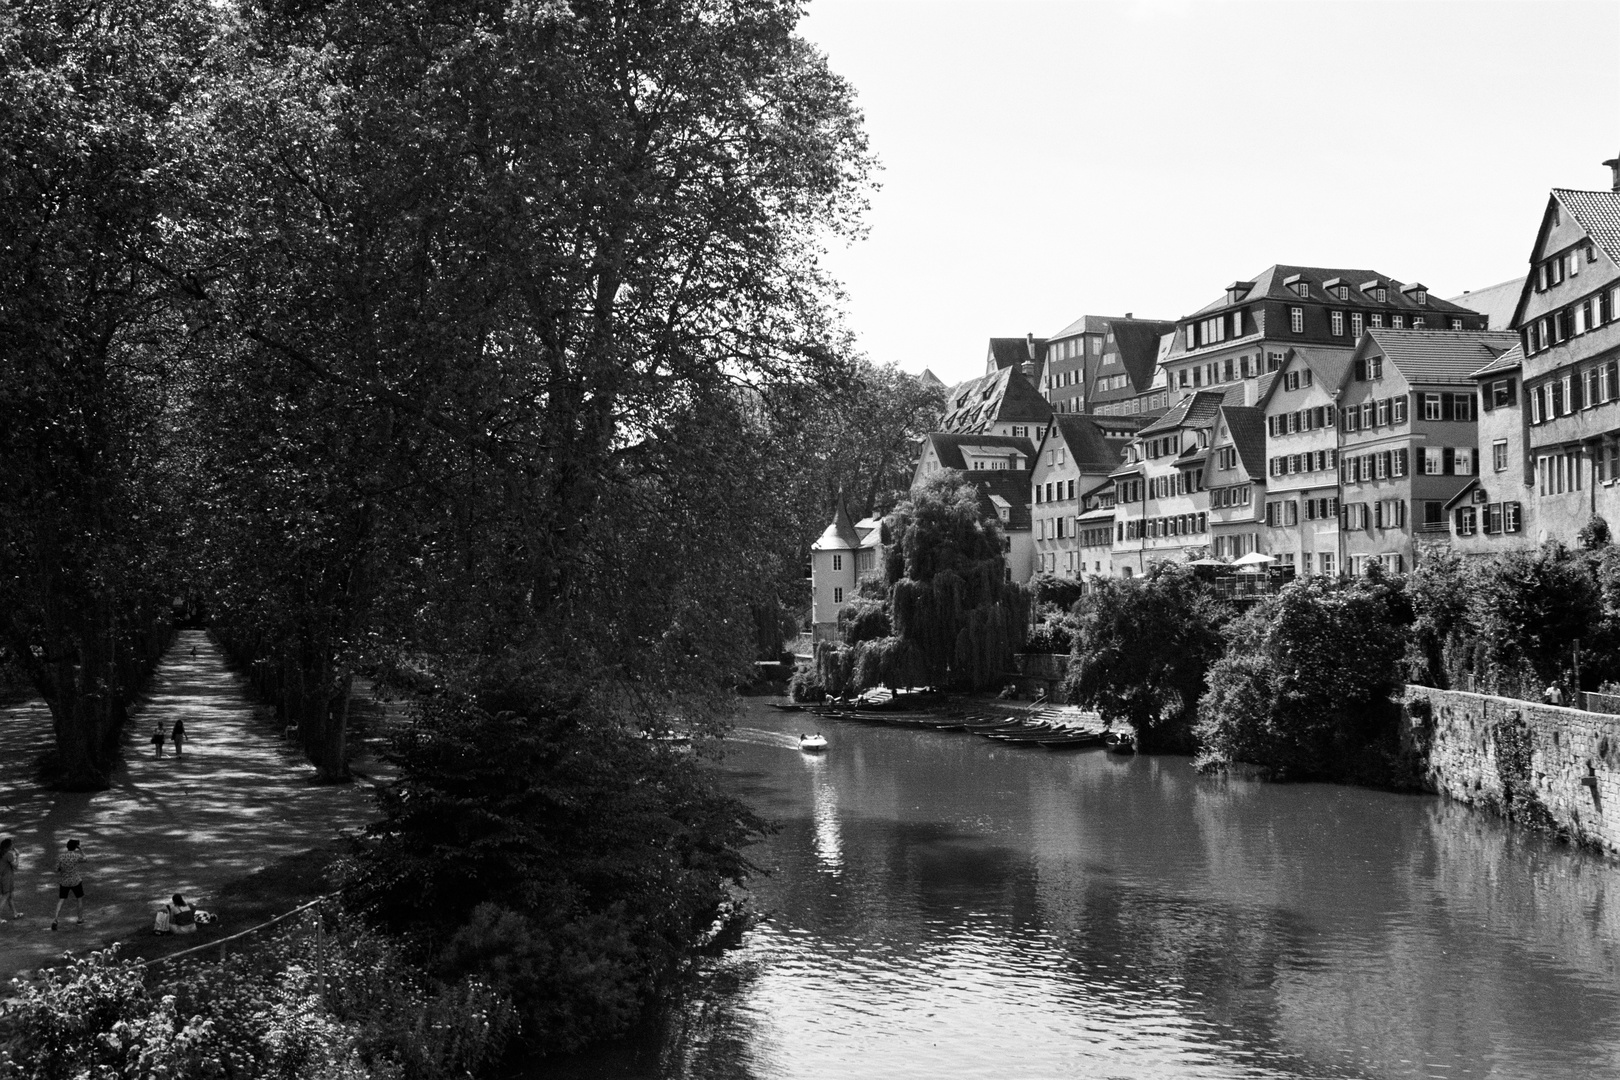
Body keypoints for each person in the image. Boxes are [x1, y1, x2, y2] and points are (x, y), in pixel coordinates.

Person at [52, 839, 85, 930]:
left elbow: (56, 869)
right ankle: (80, 919)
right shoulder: (76, 856)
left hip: (64, 881)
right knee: (79, 899)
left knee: (61, 900)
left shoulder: (61, 857)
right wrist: (81, 849)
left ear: (67, 846)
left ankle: (55, 919)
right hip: (76, 881)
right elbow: (85, 859)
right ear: (75, 847)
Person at [0, 838, 18, 922]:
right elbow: (16, 866)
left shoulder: (2, 854)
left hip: (4, 877)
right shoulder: (9, 855)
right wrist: (18, 856)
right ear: (8, 846)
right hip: (7, 878)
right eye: (12, 844)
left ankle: (15, 913)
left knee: (10, 896)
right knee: (5, 896)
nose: (13, 845)